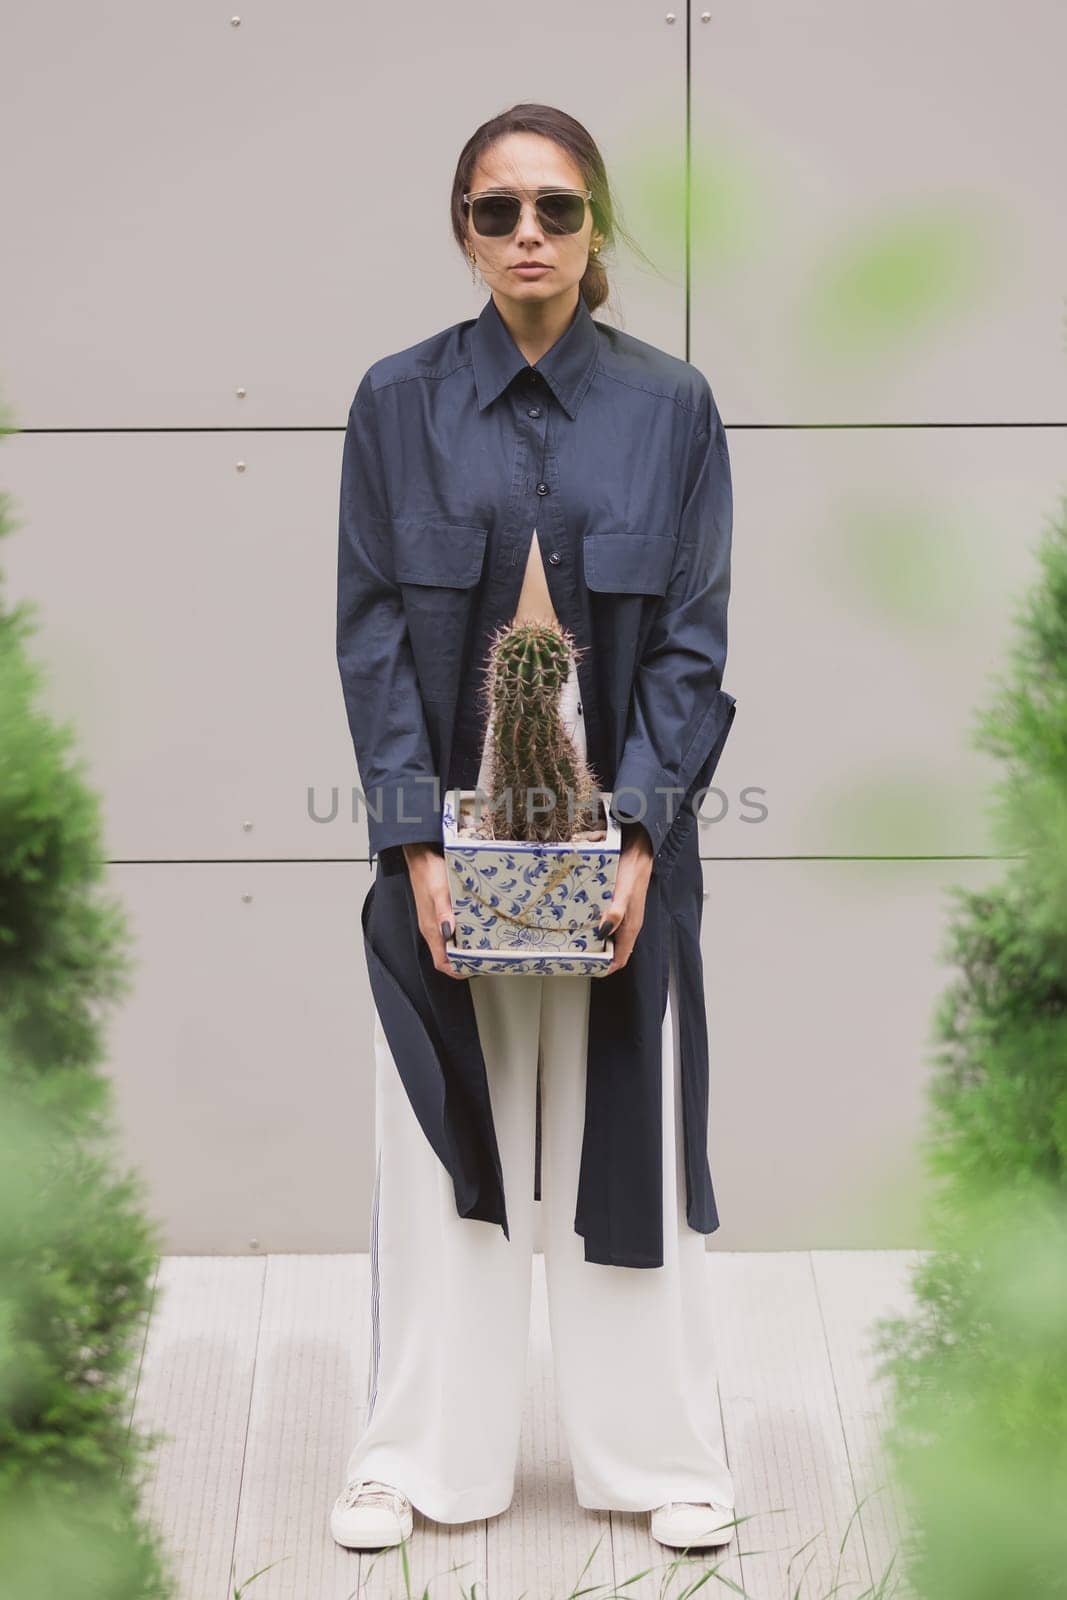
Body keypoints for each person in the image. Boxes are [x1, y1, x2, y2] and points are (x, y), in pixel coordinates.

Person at [330, 103, 739, 1555]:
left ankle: (661, 1455)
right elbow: (373, 635)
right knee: (445, 1150)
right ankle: (420, 1456)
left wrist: (634, 842)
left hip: (624, 861)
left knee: (628, 1135)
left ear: (595, 228)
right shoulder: (394, 404)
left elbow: (693, 643)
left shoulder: (673, 408)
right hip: (446, 862)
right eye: (498, 210)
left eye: (557, 209)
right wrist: (416, 852)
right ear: (461, 227)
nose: (528, 236)